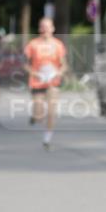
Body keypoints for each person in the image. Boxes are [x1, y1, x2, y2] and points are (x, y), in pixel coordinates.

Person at [23, 17, 68, 149]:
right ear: (39, 29)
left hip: (52, 82)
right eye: (43, 27)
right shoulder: (33, 44)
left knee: (51, 111)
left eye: (48, 27)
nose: (45, 30)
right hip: (37, 82)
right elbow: (25, 64)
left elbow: (64, 65)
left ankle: (47, 138)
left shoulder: (58, 45)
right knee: (39, 114)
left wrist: (59, 72)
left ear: (53, 29)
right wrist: (35, 73)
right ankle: (35, 116)